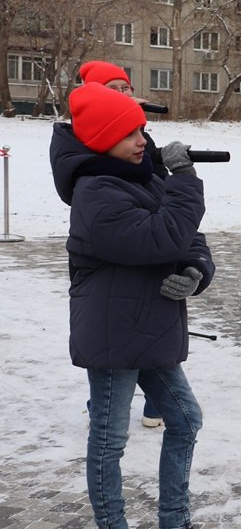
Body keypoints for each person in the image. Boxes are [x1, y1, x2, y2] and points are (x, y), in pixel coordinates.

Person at [49, 83, 224, 529]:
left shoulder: (141, 176)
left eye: (141, 129)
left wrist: (197, 270)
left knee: (185, 419)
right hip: (112, 331)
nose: (141, 139)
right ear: (103, 139)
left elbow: (188, 239)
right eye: (128, 132)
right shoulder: (96, 190)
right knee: (109, 439)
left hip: (150, 324)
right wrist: (186, 181)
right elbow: (161, 235)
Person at [78, 60, 165, 429]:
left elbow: (156, 175)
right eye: (114, 87)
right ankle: (106, 402)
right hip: (114, 261)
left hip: (147, 261)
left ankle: (150, 402)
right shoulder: (94, 170)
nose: (125, 93)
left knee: (146, 324)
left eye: (127, 87)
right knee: (114, 337)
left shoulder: (136, 135)